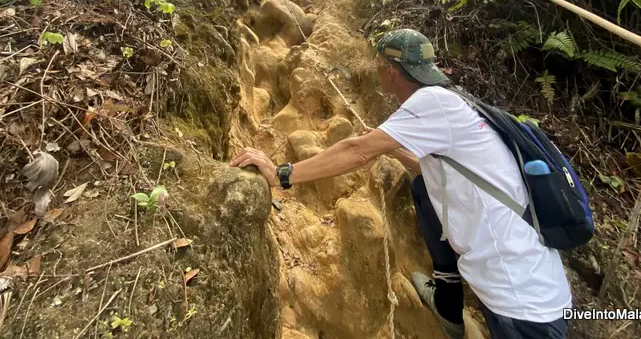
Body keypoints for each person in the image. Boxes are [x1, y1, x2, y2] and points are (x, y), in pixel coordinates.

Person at [230, 29, 571, 339]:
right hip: (529, 283)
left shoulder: (429, 104)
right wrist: (390, 148)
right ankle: (447, 301)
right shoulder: (454, 101)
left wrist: (280, 175)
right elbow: (437, 169)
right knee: (423, 189)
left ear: (390, 71)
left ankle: (449, 303)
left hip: (521, 300)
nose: (377, 70)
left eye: (378, 64)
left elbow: (355, 151)